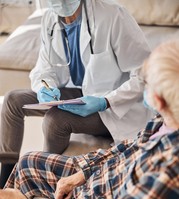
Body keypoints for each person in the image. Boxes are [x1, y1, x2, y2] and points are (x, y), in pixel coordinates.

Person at [0, 40, 179, 199]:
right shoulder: (165, 121)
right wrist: (83, 173)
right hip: (101, 181)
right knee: (28, 163)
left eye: (147, 85)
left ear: (159, 100)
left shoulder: (170, 173)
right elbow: (127, 147)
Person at [0, 0, 153, 187]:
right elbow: (44, 68)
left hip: (116, 107)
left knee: (55, 120)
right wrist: (44, 88)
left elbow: (145, 73)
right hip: (81, 93)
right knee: (12, 100)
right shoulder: (50, 19)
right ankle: (4, 183)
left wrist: (106, 101)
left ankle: (45, 182)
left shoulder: (113, 16)